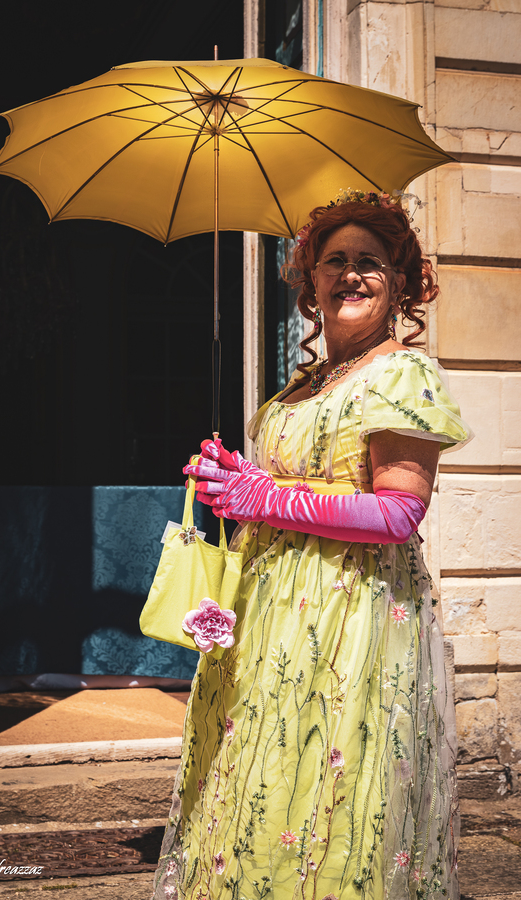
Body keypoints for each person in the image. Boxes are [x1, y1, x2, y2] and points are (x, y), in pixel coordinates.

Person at [153, 191, 471, 900]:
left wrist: (269, 498)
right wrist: (234, 479)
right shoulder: (301, 385)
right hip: (270, 623)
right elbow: (294, 484)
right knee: (262, 788)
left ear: (400, 284)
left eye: (371, 263)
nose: (351, 275)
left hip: (350, 621)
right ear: (311, 282)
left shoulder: (403, 376)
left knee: (331, 802)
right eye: (336, 261)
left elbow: (396, 513)